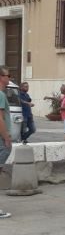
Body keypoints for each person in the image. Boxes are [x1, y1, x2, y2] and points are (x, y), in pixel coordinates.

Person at [0, 67, 13, 218]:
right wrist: (6, 137)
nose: (9, 77)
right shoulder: (1, 95)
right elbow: (0, 118)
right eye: (7, 75)